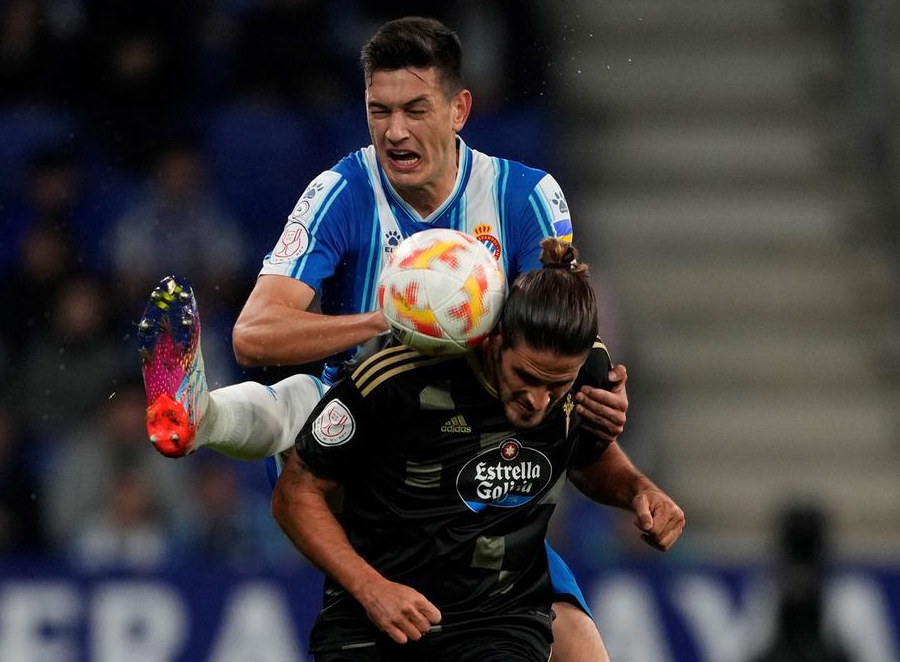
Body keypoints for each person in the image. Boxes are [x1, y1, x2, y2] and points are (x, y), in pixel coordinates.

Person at [138, 17, 630, 660]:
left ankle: (208, 415)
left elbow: (563, 324)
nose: (394, 130)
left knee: (581, 649)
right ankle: (197, 412)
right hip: (367, 444)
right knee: (305, 405)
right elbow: (254, 334)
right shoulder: (340, 192)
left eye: (415, 109)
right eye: (379, 110)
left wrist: (598, 391)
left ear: (460, 109)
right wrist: (389, 321)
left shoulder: (527, 196)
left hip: (474, 457)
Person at [272, 240, 685, 661]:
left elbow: (589, 458)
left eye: (557, 386)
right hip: (377, 618)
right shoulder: (394, 382)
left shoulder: (587, 375)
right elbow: (295, 493)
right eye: (526, 376)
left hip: (499, 622)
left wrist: (638, 491)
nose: (539, 400)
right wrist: (370, 588)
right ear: (495, 341)